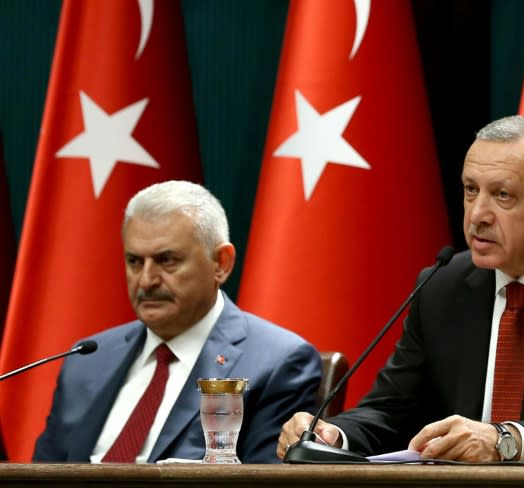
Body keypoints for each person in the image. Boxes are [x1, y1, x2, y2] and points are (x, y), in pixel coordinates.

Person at [278, 115, 524, 463]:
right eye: (470, 189)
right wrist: (333, 434)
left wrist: (506, 440)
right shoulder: (444, 285)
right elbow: (392, 409)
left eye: (503, 195)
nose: (478, 214)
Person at [34, 180, 322, 464]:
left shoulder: (276, 363)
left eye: (167, 260)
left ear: (221, 263)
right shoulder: (88, 359)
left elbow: (264, 485)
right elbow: (42, 475)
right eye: (134, 261)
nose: (146, 280)